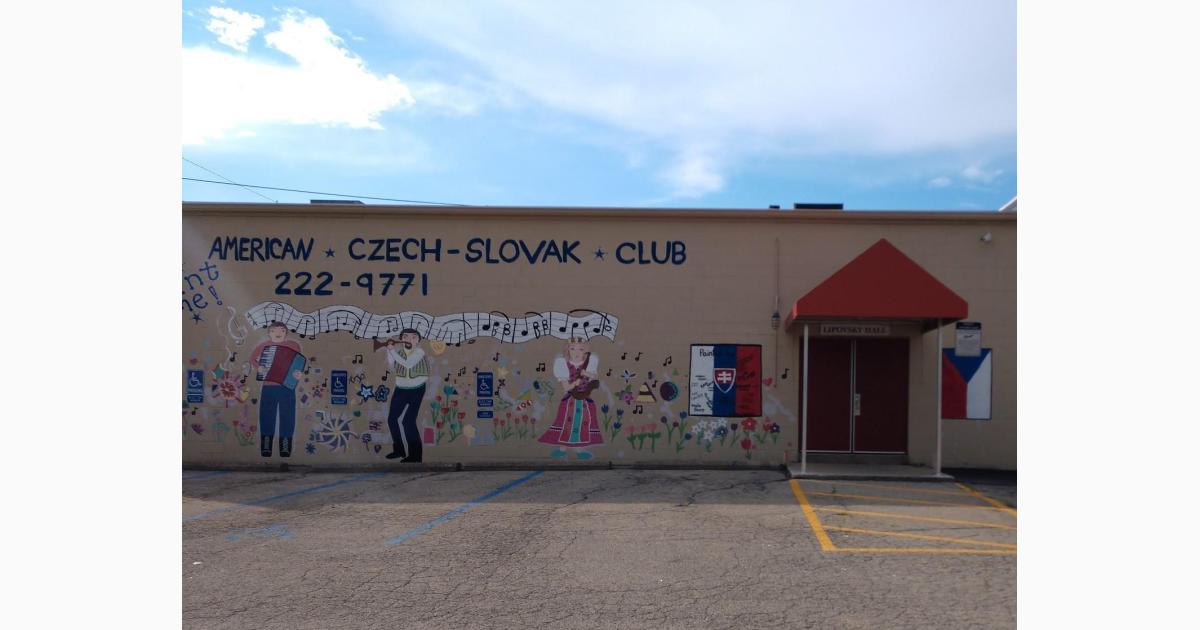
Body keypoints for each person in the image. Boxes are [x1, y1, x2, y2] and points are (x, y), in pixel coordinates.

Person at [537, 338, 603, 458]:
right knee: (566, 423)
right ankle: (562, 448)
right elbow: (566, 387)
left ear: (586, 351)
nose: (576, 352)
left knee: (584, 423)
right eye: (572, 349)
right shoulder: (562, 364)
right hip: (570, 401)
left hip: (585, 400)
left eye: (581, 349)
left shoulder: (589, 363)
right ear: (567, 350)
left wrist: (585, 373)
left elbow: (594, 376)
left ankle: (579, 449)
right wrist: (575, 384)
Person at [249, 321, 305, 458]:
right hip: (268, 385)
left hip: (287, 386)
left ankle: (285, 447)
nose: (278, 333)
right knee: (266, 416)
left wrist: (298, 373)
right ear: (269, 333)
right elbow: (252, 359)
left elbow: (299, 362)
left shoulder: (294, 345)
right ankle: (266, 446)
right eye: (274, 331)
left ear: (286, 333)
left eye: (282, 330)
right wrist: (259, 367)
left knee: (288, 416)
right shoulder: (264, 346)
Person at [384, 328, 429, 462]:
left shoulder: (420, 352)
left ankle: (415, 455)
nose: (409, 340)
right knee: (392, 419)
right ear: (402, 339)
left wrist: (392, 351)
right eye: (406, 336)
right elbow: (392, 364)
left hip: (417, 389)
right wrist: (388, 349)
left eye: (414, 337)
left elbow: (408, 364)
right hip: (401, 389)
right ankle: (399, 450)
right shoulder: (399, 352)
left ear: (418, 341)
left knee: (408, 422)